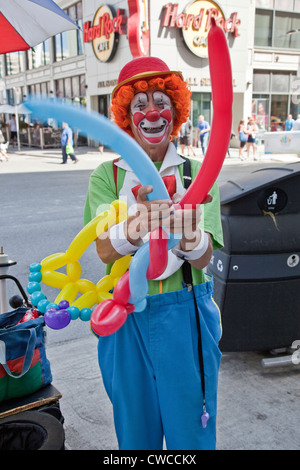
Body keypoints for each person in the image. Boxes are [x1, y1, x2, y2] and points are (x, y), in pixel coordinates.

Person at [84, 57, 223, 451]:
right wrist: (136, 225)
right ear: (126, 116)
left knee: (190, 437)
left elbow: (203, 259)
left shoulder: (196, 173)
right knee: (135, 435)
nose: (151, 113)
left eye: (160, 101)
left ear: (175, 111)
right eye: (138, 105)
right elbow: (105, 252)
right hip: (126, 318)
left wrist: (186, 231)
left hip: (186, 316)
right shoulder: (107, 176)